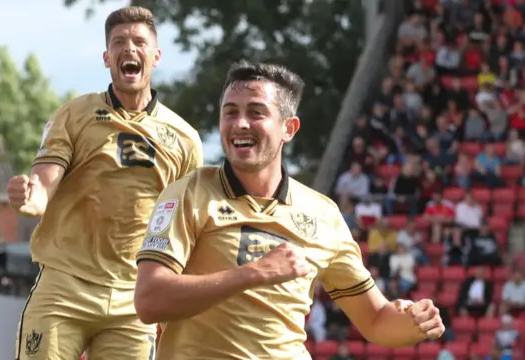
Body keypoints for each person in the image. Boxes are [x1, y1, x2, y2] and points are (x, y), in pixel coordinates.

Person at [134, 61, 445, 360]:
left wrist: (412, 324)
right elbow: (149, 299)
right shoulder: (189, 192)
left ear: (289, 128)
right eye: (230, 112)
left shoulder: (323, 214)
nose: (240, 123)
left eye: (256, 112)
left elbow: (376, 320)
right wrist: (253, 273)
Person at [7, 6, 203, 360]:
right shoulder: (74, 114)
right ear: (106, 57)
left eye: (139, 41)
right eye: (119, 42)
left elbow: (187, 226)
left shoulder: (184, 138)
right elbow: (43, 187)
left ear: (156, 56)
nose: (129, 48)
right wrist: (29, 197)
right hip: (64, 287)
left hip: (134, 298)